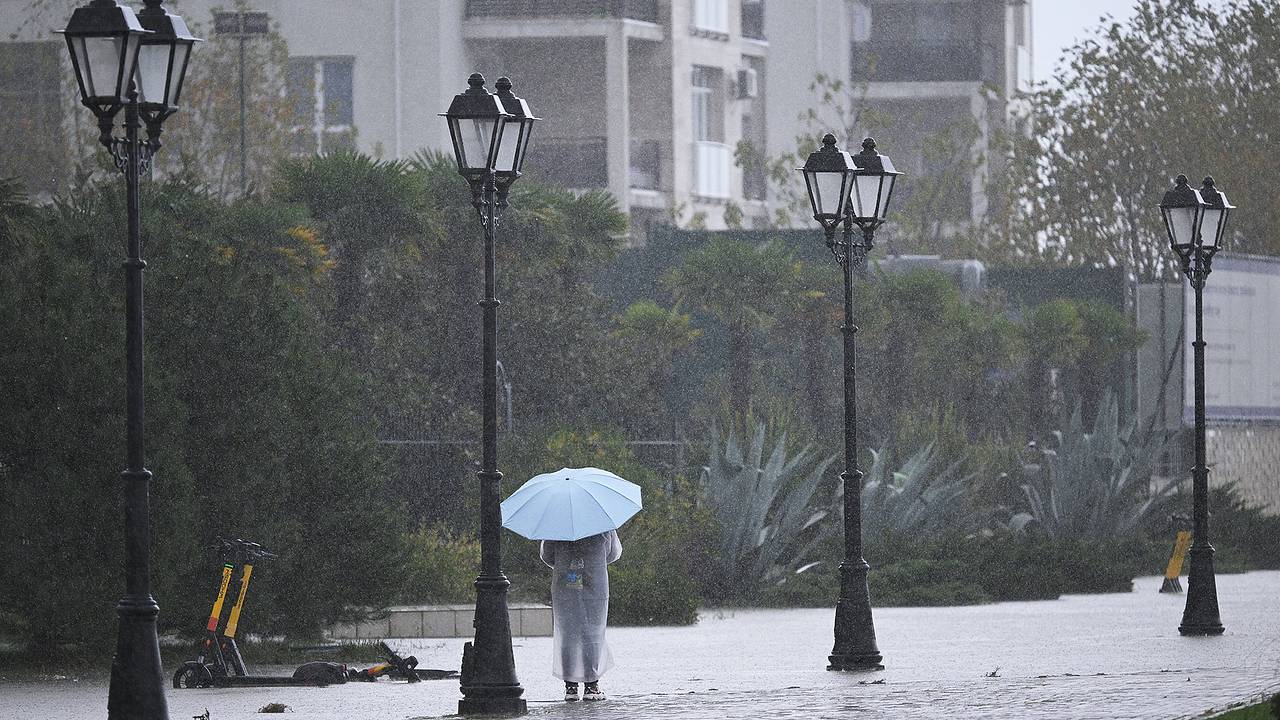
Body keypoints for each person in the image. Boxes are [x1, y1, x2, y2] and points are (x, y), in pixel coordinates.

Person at [539, 529, 623, 701]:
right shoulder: (601, 524)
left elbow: (547, 555)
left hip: (566, 581)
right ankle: (591, 686)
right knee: (593, 632)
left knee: (568, 632)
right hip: (594, 582)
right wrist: (593, 558)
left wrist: (567, 559)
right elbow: (613, 553)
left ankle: (570, 686)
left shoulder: (557, 524)